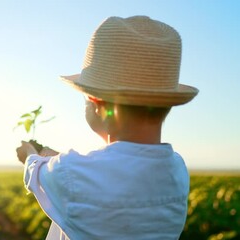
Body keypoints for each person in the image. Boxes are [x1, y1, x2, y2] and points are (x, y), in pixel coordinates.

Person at [16, 16, 199, 239]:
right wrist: (49, 154)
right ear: (168, 105)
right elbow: (105, 169)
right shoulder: (177, 171)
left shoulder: (71, 174)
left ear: (96, 104)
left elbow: (35, 171)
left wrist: (29, 152)